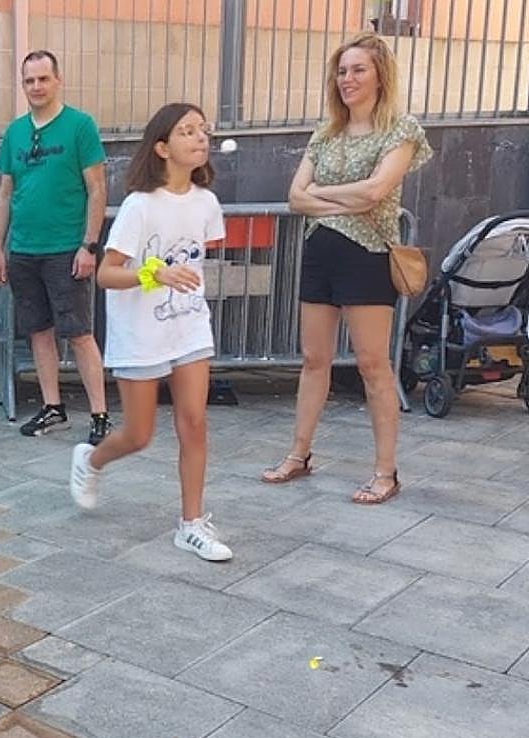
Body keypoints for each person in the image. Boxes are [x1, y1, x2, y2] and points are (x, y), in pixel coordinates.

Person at [261, 33, 432, 503]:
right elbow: (295, 198)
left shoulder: (400, 130)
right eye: (341, 71)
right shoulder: (326, 132)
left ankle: (385, 472)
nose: (347, 79)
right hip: (321, 250)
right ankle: (298, 454)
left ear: (380, 76)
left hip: (368, 255)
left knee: (373, 364)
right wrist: (345, 198)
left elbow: (376, 192)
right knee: (313, 359)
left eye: (358, 69)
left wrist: (322, 194)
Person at [69, 103, 232, 563]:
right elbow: (106, 274)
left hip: (190, 326)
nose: (200, 138)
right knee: (139, 434)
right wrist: (154, 274)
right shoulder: (139, 206)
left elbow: (195, 257)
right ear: (162, 147)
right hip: (140, 333)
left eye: (203, 130)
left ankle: (191, 525)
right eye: (187, 131)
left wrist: (177, 280)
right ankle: (91, 460)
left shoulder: (207, 203)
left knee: (194, 423)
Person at [0, 49, 111, 445]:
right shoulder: (14, 133)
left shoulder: (80, 126)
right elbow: (5, 194)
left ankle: (100, 415)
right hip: (24, 250)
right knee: (38, 332)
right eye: (29, 80)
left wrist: (89, 245)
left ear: (58, 80)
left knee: (78, 333)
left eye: (43, 78)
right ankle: (52, 407)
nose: (36, 86)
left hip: (66, 249)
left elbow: (97, 189)